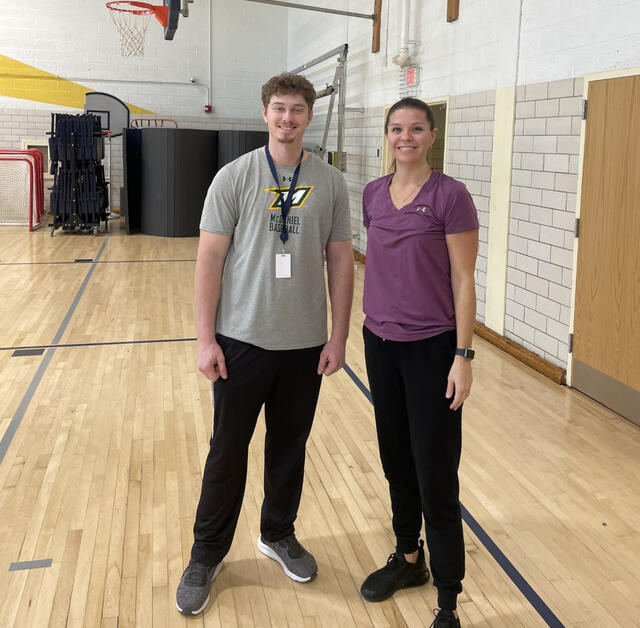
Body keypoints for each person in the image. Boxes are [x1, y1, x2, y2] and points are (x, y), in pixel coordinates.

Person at [176, 73, 354, 616]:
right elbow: (208, 260)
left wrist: (339, 335)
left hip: (304, 345)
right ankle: (206, 555)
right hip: (240, 341)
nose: (288, 118)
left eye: (298, 109)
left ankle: (277, 534)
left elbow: (341, 260)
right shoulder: (233, 177)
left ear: (310, 116)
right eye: (279, 108)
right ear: (264, 113)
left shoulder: (331, 181)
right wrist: (206, 338)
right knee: (226, 453)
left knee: (289, 448)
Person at [359, 97, 479, 628]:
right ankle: (409, 558)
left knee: (435, 471)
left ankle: (448, 598)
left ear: (432, 135)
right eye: (396, 129)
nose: (404, 137)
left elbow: (463, 279)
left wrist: (462, 354)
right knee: (395, 458)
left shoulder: (451, 196)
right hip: (379, 343)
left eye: (414, 129)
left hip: (433, 348)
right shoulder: (371, 195)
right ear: (387, 136)